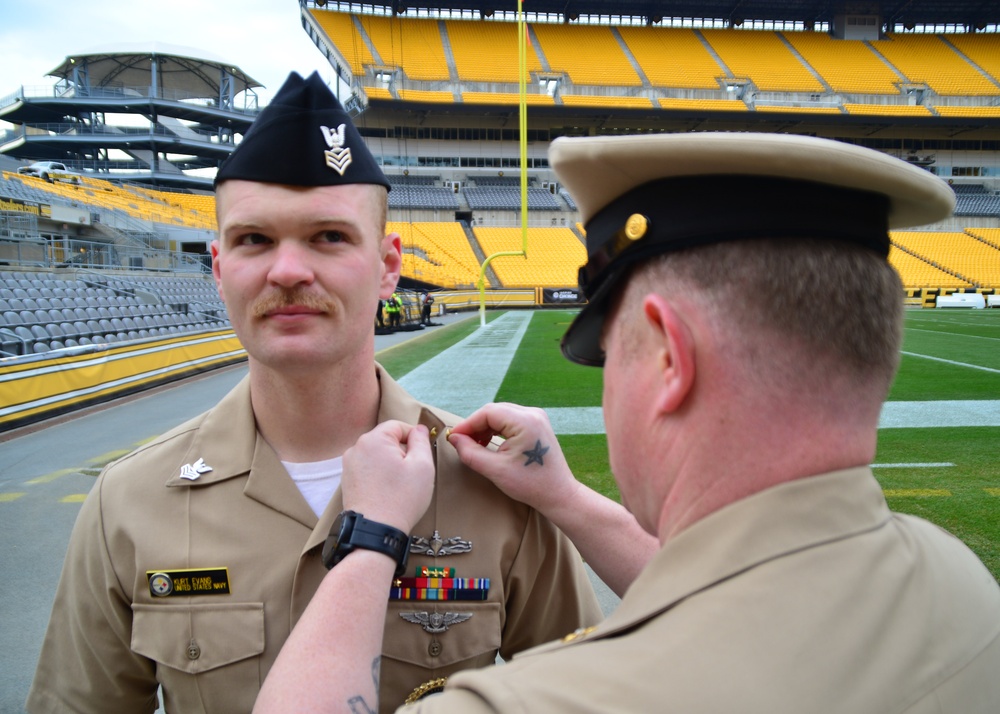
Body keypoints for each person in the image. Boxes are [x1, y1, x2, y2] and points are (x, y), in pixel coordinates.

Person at [252, 132, 1000, 714]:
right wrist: (568, 502)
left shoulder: (557, 699)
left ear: (672, 357)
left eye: (609, 357)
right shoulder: (961, 585)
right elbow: (742, 602)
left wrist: (372, 536)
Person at [26, 72, 602, 714]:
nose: (289, 270)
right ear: (219, 270)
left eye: (329, 236)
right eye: (254, 240)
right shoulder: (128, 502)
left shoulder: (498, 485)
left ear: (388, 266)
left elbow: (579, 695)